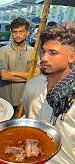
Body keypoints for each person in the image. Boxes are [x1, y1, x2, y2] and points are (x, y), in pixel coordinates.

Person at [22, 23, 75, 163]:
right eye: (43, 52)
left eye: (53, 53)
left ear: (72, 57)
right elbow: (29, 121)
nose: (44, 58)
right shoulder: (33, 87)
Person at [0, 17, 40, 115]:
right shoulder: (4, 50)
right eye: (15, 32)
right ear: (12, 33)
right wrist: (29, 77)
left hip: (24, 99)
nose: (18, 35)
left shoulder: (33, 52)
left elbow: (37, 75)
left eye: (21, 31)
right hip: (4, 98)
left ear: (27, 32)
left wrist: (13, 72)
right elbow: (4, 76)